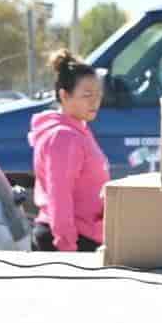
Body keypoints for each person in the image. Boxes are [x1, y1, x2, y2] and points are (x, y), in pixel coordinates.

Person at [29, 49, 109, 253]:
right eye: (87, 95)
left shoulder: (78, 129)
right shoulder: (64, 137)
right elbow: (60, 197)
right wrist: (67, 248)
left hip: (82, 236)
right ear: (64, 95)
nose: (95, 102)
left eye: (98, 95)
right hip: (69, 242)